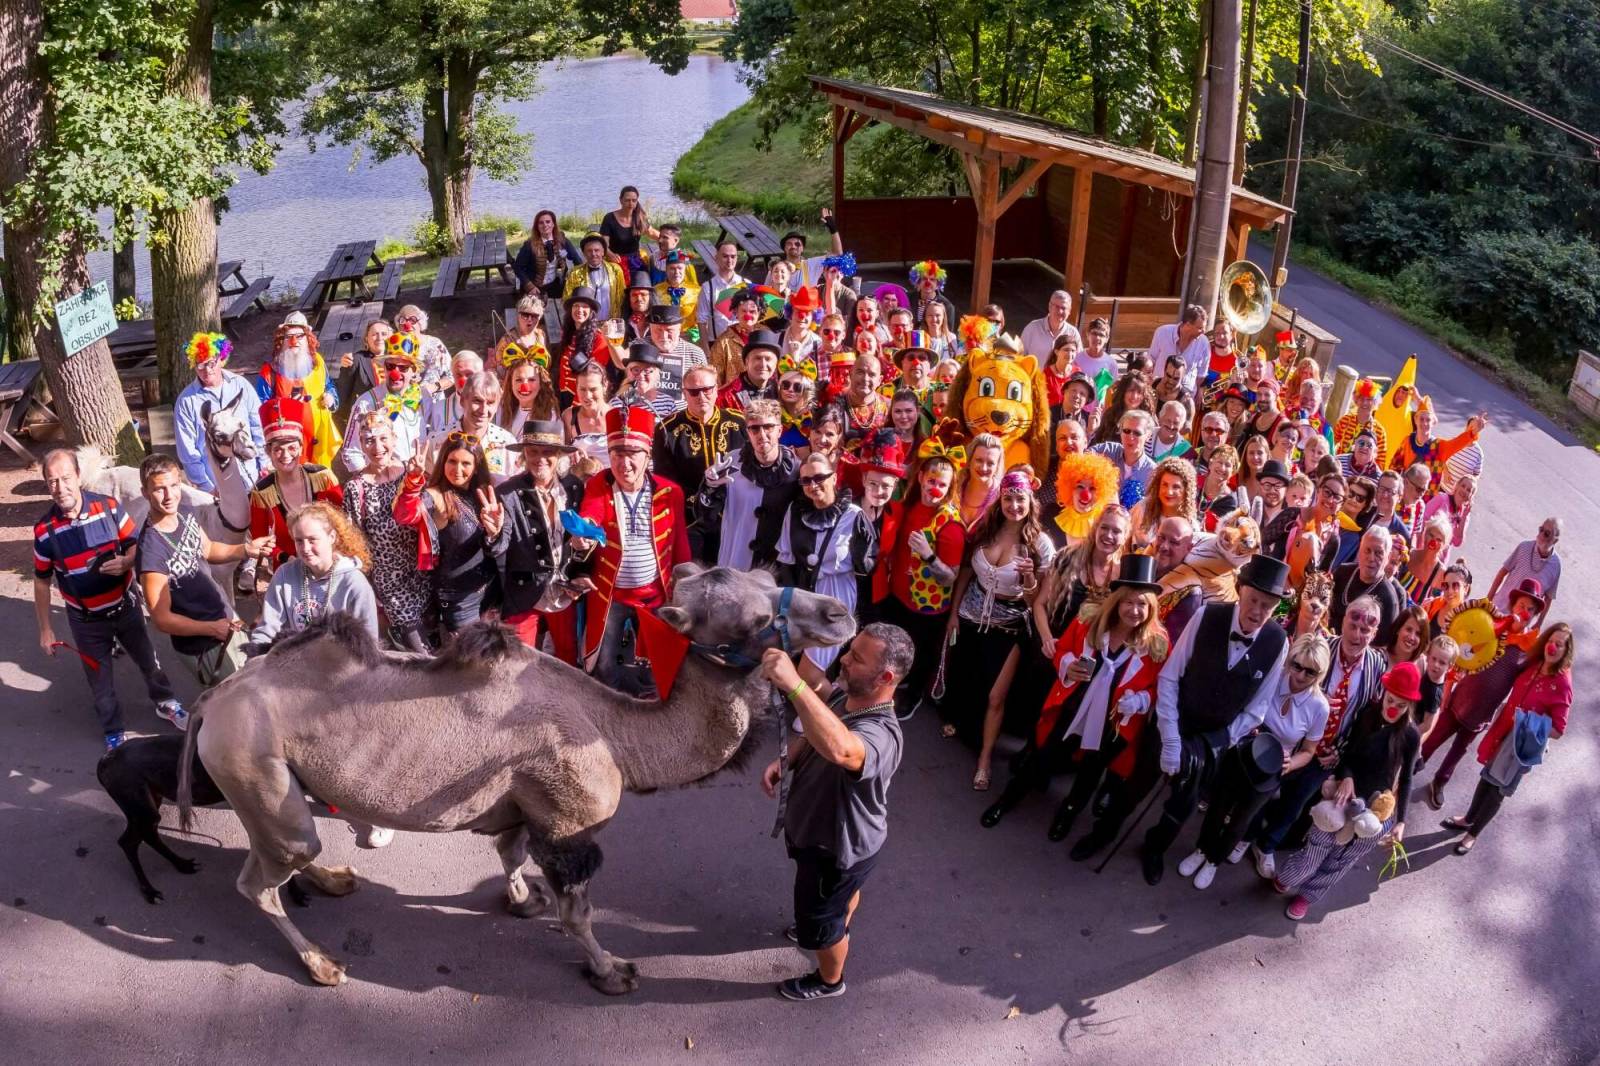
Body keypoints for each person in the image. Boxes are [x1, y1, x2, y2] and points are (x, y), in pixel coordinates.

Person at [760, 622, 908, 1002]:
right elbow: (817, 725)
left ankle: (829, 980)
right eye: (850, 650)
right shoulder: (848, 697)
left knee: (821, 928)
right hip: (826, 841)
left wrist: (794, 685)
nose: (844, 659)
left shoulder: (882, 734)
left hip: (837, 852)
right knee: (838, 899)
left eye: (856, 658)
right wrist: (788, 759)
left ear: (886, 677)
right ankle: (835, 914)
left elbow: (844, 749)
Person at [981, 554, 1166, 836]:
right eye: (1129, 601)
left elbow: (1157, 689)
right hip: (1073, 706)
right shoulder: (1088, 622)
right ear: (1116, 602)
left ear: (1151, 608)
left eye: (1142, 604)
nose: (1135, 610)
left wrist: (1138, 701)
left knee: (1091, 773)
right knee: (1041, 755)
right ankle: (1007, 799)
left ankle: (1068, 813)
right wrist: (1070, 666)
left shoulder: (1157, 645)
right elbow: (1062, 651)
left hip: (1114, 722)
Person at [1138, 554, 1291, 885]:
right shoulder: (1207, 615)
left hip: (1212, 741)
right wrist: (1170, 735)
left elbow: (1257, 709)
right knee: (1137, 785)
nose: (1257, 611)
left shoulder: (1278, 642)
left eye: (1267, 605)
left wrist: (1216, 743)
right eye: (1253, 600)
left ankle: (1154, 848)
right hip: (1173, 719)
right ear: (1240, 591)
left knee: (1183, 805)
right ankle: (1103, 832)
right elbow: (1170, 676)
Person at [32, 449, 185, 751]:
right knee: (100, 683)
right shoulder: (44, 531)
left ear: (78, 477)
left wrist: (128, 563)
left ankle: (166, 703)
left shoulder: (109, 507)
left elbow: (134, 545)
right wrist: (45, 630)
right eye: (52, 482)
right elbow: (40, 581)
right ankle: (114, 731)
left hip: (126, 608)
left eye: (65, 479)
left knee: (149, 661)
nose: (60, 488)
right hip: (86, 621)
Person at [1248, 595, 1388, 879]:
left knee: (1295, 802)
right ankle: (1243, 837)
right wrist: (1316, 699)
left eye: (1366, 631)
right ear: (1344, 620)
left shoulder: (1376, 667)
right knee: (1264, 791)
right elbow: (1294, 676)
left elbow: (1365, 722)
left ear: (1374, 634)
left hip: (1327, 753)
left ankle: (1266, 846)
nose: (1357, 635)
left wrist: (1342, 756)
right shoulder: (1323, 646)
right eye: (1353, 625)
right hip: (1294, 738)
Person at [1179, 633, 1330, 889]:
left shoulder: (1319, 706)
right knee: (1219, 806)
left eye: (1311, 672)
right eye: (1297, 666)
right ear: (1290, 661)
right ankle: (1202, 850)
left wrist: (1290, 764)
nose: (1301, 676)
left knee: (1242, 818)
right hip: (1242, 752)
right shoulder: (1275, 679)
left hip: (1271, 769)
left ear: (1321, 673)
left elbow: (1309, 749)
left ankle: (1215, 860)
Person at [1273, 661, 1422, 921]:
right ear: (1384, 692)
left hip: (1376, 807)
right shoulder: (1367, 714)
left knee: (1343, 858)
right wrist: (1346, 778)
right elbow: (1348, 754)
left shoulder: (1410, 735)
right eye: (1390, 700)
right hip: (1345, 793)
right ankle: (1289, 877)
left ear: (1408, 706)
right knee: (1318, 844)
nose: (1392, 708)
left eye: (1400, 705)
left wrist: (1401, 821)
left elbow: (1407, 778)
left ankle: (1307, 897)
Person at [943, 470, 1057, 789]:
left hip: (1009, 627)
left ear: (1030, 501)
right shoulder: (985, 528)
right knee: (968, 678)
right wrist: (954, 613)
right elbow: (966, 571)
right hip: (970, 617)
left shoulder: (1041, 545)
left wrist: (1030, 579)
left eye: (1020, 499)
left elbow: (1037, 601)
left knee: (996, 695)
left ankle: (984, 760)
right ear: (1000, 500)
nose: (1014, 505)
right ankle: (961, 725)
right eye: (1008, 498)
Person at [575, 406, 691, 696]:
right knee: (604, 664)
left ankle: (652, 713)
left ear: (647, 455)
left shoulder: (670, 492)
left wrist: (685, 588)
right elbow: (591, 514)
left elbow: (680, 546)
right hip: (611, 595)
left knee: (655, 664)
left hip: (655, 595)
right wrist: (584, 534)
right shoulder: (598, 485)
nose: (624, 463)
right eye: (617, 453)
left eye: (632, 453)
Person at [136, 454, 269, 684]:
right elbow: (162, 619)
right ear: (145, 492)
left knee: (252, 686)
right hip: (203, 644)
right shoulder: (151, 553)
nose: (169, 496)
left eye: (174, 486)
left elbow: (207, 549)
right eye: (159, 489)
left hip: (224, 620)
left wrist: (247, 550)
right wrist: (212, 629)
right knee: (231, 703)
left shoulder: (184, 513)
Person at [1442, 622, 1572, 855]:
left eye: (1559, 645)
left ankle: (1472, 835)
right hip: (1503, 733)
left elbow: (1559, 729)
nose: (1553, 647)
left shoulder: (1561, 684)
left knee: (1498, 789)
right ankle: (1468, 819)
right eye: (1551, 641)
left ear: (1566, 651)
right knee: (1487, 777)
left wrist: (1529, 723)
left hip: (1520, 744)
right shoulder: (1535, 663)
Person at [1418, 578, 1546, 810]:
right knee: (1431, 740)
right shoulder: (1492, 627)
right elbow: (1460, 654)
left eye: (1530, 609)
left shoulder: (1529, 647)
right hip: (1459, 700)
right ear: (1513, 605)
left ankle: (1439, 783)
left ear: (1535, 615)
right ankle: (1405, 774)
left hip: (1483, 712)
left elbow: (1527, 683)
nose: (1524, 612)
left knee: (1458, 751)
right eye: (1521, 605)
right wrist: (1447, 689)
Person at [870, 440, 967, 716]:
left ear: (950, 489)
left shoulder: (950, 527)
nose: (935, 488)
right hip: (897, 595)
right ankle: (896, 686)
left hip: (927, 608)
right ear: (922, 477)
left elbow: (950, 578)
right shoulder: (908, 505)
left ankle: (913, 696)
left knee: (920, 655)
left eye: (943, 484)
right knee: (896, 648)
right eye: (932, 479)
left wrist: (928, 555)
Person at [775, 452, 877, 683]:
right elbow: (786, 559)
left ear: (834, 477)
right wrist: (789, 601)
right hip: (803, 595)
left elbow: (868, 567)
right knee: (796, 666)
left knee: (809, 674)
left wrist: (863, 558)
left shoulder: (855, 516)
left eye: (820, 477)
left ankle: (833, 717)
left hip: (837, 595)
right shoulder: (795, 511)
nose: (813, 485)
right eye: (806, 481)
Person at [493, 420, 587, 664]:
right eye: (533, 452)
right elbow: (499, 546)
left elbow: (582, 539)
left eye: (547, 452)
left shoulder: (573, 487)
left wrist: (579, 568)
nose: (540, 459)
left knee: (567, 659)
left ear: (558, 455)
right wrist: (493, 532)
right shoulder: (508, 492)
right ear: (524, 455)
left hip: (565, 592)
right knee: (517, 663)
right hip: (524, 591)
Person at [394, 435, 506, 637]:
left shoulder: (482, 495)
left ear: (476, 467)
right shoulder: (435, 496)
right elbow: (405, 514)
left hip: (491, 592)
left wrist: (494, 533)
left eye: (466, 463)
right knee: (469, 663)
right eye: (452, 461)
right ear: (443, 461)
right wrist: (412, 482)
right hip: (459, 601)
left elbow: (495, 547)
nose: (458, 469)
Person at [340, 412, 432, 653]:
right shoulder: (355, 488)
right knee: (422, 653)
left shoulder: (412, 473)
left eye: (383, 439)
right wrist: (367, 588)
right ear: (361, 444)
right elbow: (354, 543)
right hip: (390, 585)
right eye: (369, 440)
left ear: (394, 438)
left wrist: (417, 477)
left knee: (438, 644)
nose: (377, 447)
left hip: (425, 575)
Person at [248, 502, 380, 649]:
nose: (305, 548)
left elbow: (368, 646)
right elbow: (267, 631)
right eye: (299, 541)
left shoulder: (354, 584)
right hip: (293, 663)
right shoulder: (284, 575)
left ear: (331, 537)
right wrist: (255, 658)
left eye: (312, 540)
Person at [699, 399, 799, 571]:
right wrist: (710, 487)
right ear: (748, 432)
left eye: (768, 427)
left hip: (772, 567)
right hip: (735, 558)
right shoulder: (731, 462)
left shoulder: (796, 469)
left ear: (779, 430)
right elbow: (707, 516)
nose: (762, 434)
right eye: (755, 428)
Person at [249, 398, 344, 573]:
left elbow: (341, 522)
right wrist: (285, 557)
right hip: (288, 570)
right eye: (277, 449)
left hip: (329, 565)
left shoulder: (323, 477)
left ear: (301, 447)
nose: (285, 455)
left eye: (292, 448)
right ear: (268, 452)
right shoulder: (261, 493)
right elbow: (261, 540)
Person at [173, 332, 265, 494]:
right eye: (200, 365)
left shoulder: (241, 385)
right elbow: (188, 452)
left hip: (252, 477)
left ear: (221, 360)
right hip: (216, 484)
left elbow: (259, 425)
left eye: (211, 363)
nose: (207, 370)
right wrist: (206, 486)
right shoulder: (186, 401)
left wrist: (264, 463)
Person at [340, 330, 441, 474]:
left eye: (403, 368)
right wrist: (369, 482)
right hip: (382, 481)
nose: (396, 373)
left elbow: (433, 435)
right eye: (391, 366)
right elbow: (350, 450)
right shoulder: (366, 403)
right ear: (384, 368)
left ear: (414, 371)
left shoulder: (423, 396)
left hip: (418, 478)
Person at [255, 311, 342, 467]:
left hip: (319, 441)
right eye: (288, 336)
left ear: (308, 339)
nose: (294, 341)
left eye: (299, 336)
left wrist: (331, 396)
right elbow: (261, 411)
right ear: (281, 341)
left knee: (322, 484)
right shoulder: (269, 372)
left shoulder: (318, 363)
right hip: (288, 448)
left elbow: (329, 386)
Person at [424, 370, 520, 483]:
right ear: (463, 401)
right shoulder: (437, 441)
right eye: (477, 401)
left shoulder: (507, 444)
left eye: (490, 403)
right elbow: (429, 490)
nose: (483, 410)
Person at [1387, 397, 1486, 491]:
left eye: (1428, 420)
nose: (1425, 423)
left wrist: (1474, 431)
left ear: (1433, 422)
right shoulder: (1408, 441)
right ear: (1416, 420)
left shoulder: (1440, 447)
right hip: (1404, 497)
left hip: (1427, 503)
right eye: (1421, 419)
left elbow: (1459, 441)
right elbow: (1394, 466)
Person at [1329, 525, 1404, 635]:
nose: (1371, 558)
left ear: (1387, 557)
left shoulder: (1389, 599)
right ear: (1359, 552)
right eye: (1367, 550)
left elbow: (1381, 647)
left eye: (1378, 553)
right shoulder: (1342, 572)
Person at [1487, 518, 1561, 626]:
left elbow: (1548, 598)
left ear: (1555, 540)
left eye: (1547, 533)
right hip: (1498, 609)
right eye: (1541, 529)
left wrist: (1539, 623)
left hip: (1520, 623)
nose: (1540, 535)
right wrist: (1488, 598)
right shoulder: (1524, 547)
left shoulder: (1556, 565)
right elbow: (1503, 572)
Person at [646, 302, 709, 412]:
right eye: (658, 330)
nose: (664, 336)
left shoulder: (694, 353)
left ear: (679, 329)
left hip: (684, 416)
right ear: (650, 329)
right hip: (648, 413)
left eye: (669, 331)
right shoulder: (639, 347)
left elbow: (705, 389)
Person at [1127, 457, 1195, 553]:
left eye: (1176, 487)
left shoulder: (1190, 525)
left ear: (1186, 491)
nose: (1169, 492)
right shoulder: (1143, 508)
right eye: (1165, 484)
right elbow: (1124, 538)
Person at [513, 209, 580, 300]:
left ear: (553, 224)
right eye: (541, 223)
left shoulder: (562, 240)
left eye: (548, 222)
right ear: (537, 226)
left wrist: (575, 278)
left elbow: (577, 260)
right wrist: (529, 286)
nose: (545, 225)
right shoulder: (529, 245)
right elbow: (518, 267)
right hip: (534, 287)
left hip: (556, 285)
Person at [1090, 409, 1157, 496]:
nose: (1131, 437)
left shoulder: (1152, 472)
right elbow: (1081, 458)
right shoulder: (1108, 450)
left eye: (1137, 433)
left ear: (1148, 436)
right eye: (1126, 431)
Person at [776, 208, 844, 293]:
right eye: (789, 244)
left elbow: (837, 254)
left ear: (802, 248)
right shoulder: (776, 268)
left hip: (809, 306)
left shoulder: (812, 264)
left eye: (797, 244)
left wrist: (833, 229)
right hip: (781, 305)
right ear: (784, 248)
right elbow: (767, 294)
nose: (793, 246)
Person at [497, 348, 560, 440]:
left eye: (531, 380)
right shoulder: (501, 409)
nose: (524, 386)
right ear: (511, 383)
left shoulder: (550, 416)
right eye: (519, 380)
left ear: (541, 383)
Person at [1146, 303, 1210, 394]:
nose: (1204, 331)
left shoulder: (1204, 342)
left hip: (1184, 397)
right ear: (1188, 325)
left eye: (1204, 328)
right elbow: (1151, 360)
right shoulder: (1162, 332)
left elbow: (1201, 375)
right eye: (1200, 328)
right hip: (1158, 392)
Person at [335, 319, 393, 414]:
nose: (379, 338)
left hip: (392, 418)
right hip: (365, 419)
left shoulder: (397, 360)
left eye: (384, 334)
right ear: (366, 339)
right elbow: (342, 393)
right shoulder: (356, 359)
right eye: (374, 334)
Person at [565, 233, 627, 321]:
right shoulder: (575, 273)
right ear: (584, 253)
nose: (593, 254)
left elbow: (622, 297)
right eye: (589, 251)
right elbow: (568, 300)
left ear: (603, 252)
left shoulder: (615, 270)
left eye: (597, 250)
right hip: (586, 325)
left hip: (611, 325)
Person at [717, 328, 782, 412]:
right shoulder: (725, 396)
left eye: (768, 359)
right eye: (757, 358)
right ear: (747, 362)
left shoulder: (782, 391)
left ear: (776, 364)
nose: (763, 364)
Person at [563, 362, 614, 469]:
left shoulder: (617, 415)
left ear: (605, 386)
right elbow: (561, 453)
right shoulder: (569, 416)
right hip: (580, 481)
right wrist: (571, 454)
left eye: (593, 389)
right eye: (582, 389)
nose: (587, 396)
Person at [707, 288, 763, 384]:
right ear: (736, 312)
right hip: (733, 396)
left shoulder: (766, 336)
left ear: (759, 312)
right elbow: (715, 378)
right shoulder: (723, 342)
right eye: (744, 311)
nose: (748, 315)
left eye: (752, 311)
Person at [700, 240, 750, 342]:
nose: (729, 260)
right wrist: (706, 350)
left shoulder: (747, 284)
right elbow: (701, 321)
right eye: (725, 256)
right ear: (716, 258)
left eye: (733, 256)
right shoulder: (707, 287)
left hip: (742, 343)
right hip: (716, 343)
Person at [391, 305, 452, 388]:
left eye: (413, 320)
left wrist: (434, 387)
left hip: (432, 398)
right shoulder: (394, 347)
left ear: (420, 324)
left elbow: (451, 375)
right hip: (402, 399)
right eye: (403, 320)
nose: (407, 324)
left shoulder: (435, 344)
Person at [493, 294, 551, 373]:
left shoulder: (541, 335)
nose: (530, 319)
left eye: (534, 316)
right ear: (518, 315)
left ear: (540, 317)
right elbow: (497, 368)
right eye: (525, 315)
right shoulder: (507, 340)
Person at [1019, 289, 1082, 362]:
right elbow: (1019, 356)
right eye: (1057, 307)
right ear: (1049, 306)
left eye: (1063, 308)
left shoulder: (1073, 333)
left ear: (1069, 311)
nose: (1060, 311)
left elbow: (1078, 362)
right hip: (1035, 373)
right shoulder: (1032, 328)